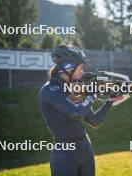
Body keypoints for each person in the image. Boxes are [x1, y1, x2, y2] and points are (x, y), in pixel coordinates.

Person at [39, 44, 122, 176]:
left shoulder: (73, 89)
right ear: (69, 67)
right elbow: (76, 113)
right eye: (81, 68)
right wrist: (92, 95)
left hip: (85, 149)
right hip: (65, 155)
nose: (83, 72)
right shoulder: (49, 90)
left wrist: (111, 99)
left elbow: (95, 121)